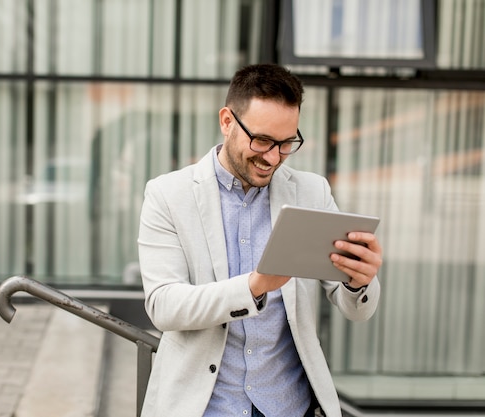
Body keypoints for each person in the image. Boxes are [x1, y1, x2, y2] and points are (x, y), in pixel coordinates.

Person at [137, 64, 382, 417]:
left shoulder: (312, 192)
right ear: (226, 121)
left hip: (289, 406)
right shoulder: (167, 195)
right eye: (263, 140)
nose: (273, 157)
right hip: (203, 407)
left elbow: (355, 309)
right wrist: (254, 286)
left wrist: (361, 281)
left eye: (286, 143)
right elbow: (164, 305)